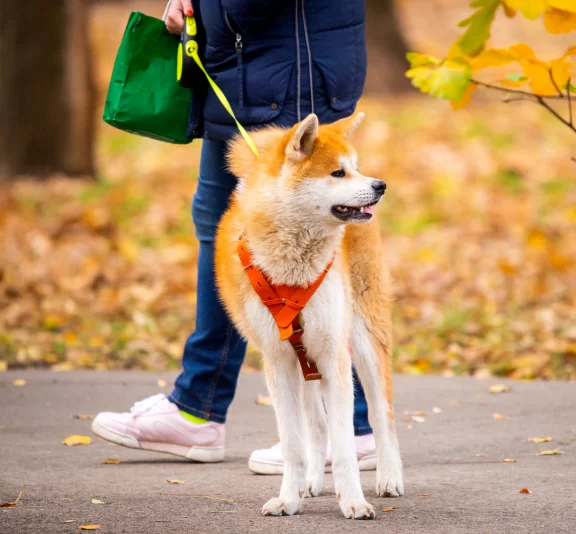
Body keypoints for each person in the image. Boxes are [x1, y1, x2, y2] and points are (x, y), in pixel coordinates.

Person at [92, 0, 375, 473]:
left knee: (310, 232)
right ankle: (198, 407)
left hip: (291, 67)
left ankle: (345, 428)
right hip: (242, 71)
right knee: (218, 225)